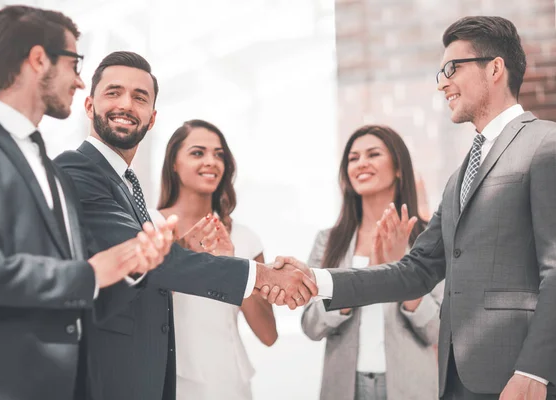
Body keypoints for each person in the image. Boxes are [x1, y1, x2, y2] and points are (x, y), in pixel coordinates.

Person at [268, 16, 556, 400]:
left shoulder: (545, 145)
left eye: (452, 68)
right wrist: (317, 280)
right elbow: (416, 269)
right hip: (455, 381)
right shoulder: (459, 178)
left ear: (495, 69)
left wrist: (535, 370)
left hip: (517, 379)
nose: (442, 83)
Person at [54, 51, 315, 400]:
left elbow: (144, 270)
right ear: (89, 106)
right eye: (113, 92)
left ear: (152, 117)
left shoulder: (127, 186)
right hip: (112, 379)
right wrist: (264, 275)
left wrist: (185, 250)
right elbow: (143, 261)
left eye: (140, 97)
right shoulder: (78, 170)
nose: (127, 104)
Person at [0, 6, 173, 400]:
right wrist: (89, 275)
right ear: (39, 59)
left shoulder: (54, 172)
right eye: (74, 65)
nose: (78, 82)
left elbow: (81, 303)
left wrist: (131, 268)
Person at [301, 125, 442, 400]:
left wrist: (402, 270)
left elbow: (438, 329)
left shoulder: (429, 238)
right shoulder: (327, 241)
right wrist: (370, 277)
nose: (361, 163)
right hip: (343, 387)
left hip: (410, 386)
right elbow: (311, 326)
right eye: (353, 158)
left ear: (399, 168)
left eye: (373, 154)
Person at [155, 119, 277, 400]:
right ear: (173, 163)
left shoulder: (246, 239)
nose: (211, 161)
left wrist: (234, 271)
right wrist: (181, 257)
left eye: (219, 154)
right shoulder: (149, 225)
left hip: (228, 384)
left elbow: (268, 334)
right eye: (198, 152)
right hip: (165, 380)